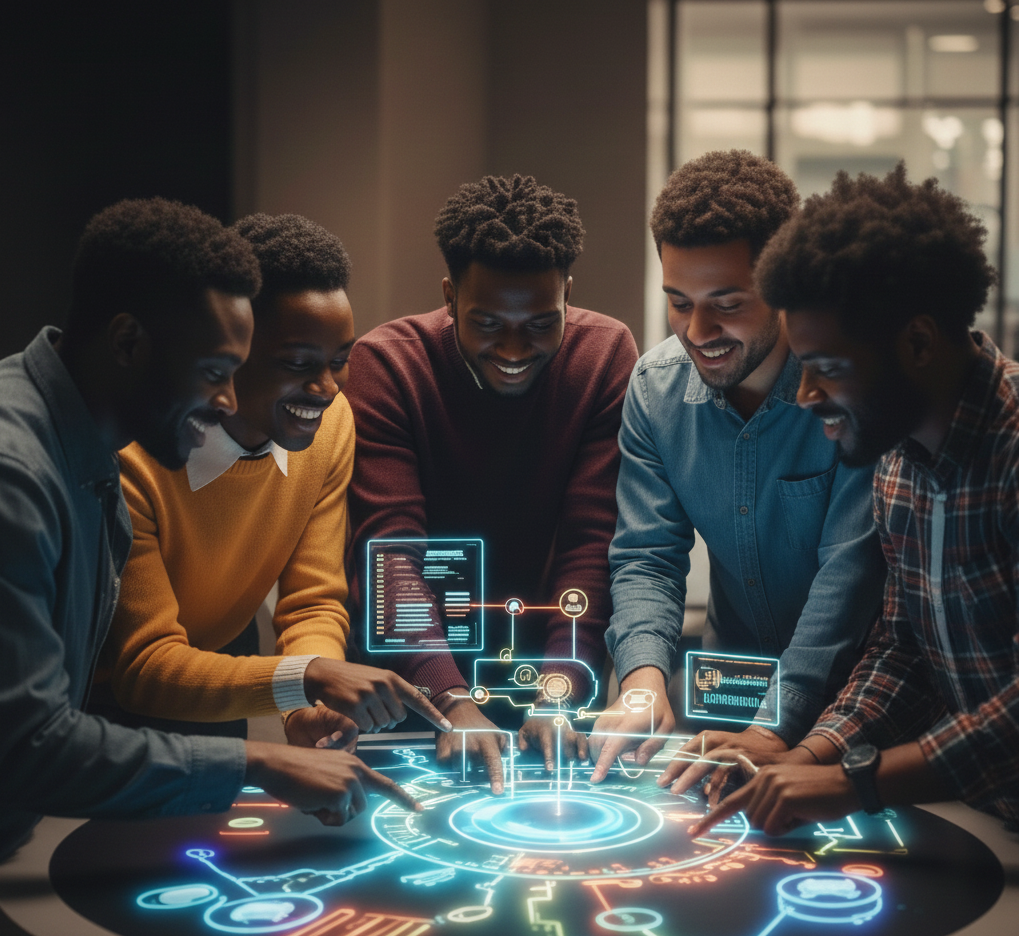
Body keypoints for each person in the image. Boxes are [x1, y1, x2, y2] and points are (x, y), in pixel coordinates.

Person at [0, 199, 421, 862]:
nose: (225, 401)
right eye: (214, 372)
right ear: (128, 344)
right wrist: (263, 754)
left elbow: (312, 598)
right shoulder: (24, 475)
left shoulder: (85, 435)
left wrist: (301, 701)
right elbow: (33, 745)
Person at [687, 164, 1018, 838]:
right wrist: (805, 754)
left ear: (917, 342)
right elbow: (904, 650)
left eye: (828, 369)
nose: (805, 396)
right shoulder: (894, 459)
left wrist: (854, 782)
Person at [91, 213, 450, 748]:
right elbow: (144, 667)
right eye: (298, 363)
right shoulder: (135, 457)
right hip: (96, 704)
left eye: (339, 360)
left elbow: (313, 602)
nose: (327, 389)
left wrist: (307, 708)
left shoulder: (331, 425)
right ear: (232, 350)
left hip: (219, 671)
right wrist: (306, 679)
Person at [589, 150, 886, 785]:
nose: (698, 331)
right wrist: (642, 681)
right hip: (726, 699)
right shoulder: (655, 389)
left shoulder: (847, 386)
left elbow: (849, 575)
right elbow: (646, 555)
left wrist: (775, 727)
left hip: (856, 711)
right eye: (679, 303)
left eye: (727, 302)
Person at [344, 175, 638, 791]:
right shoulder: (388, 363)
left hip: (544, 679)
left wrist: (559, 692)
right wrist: (450, 700)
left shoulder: (605, 355)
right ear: (449, 297)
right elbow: (392, 556)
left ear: (567, 296)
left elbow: (590, 545)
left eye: (540, 324)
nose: (512, 348)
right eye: (488, 323)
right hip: (409, 685)